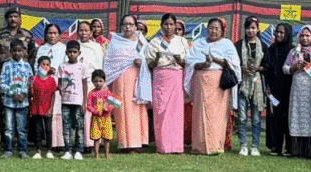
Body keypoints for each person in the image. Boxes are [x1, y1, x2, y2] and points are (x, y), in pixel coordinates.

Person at [183, 17, 241, 155]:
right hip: (201, 81)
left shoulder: (227, 44)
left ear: (222, 31)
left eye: (216, 29)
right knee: (200, 113)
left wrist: (215, 59)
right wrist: (203, 64)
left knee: (217, 114)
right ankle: (199, 146)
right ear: (206, 29)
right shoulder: (199, 43)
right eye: (211, 28)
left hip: (218, 83)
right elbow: (189, 61)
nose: (213, 31)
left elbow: (234, 63)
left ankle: (215, 146)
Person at [0, 7, 36, 154]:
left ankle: (22, 143)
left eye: (15, 16)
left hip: (23, 79)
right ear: (6, 19)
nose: (13, 19)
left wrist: (31, 81)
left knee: (23, 112)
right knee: (3, 111)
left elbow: (33, 57)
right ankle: (5, 142)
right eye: (10, 17)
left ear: (20, 19)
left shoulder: (27, 35)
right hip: (4, 77)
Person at [103, 15, 149, 153]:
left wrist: (142, 62)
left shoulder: (141, 41)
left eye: (130, 24)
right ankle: (125, 143)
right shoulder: (115, 42)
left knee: (137, 110)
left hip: (138, 79)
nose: (128, 27)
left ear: (135, 26)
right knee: (122, 110)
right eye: (125, 24)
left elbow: (149, 59)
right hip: (119, 80)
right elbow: (109, 62)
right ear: (121, 26)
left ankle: (138, 142)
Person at [145, 14, 187, 155]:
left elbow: (187, 63)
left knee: (175, 112)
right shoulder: (154, 42)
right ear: (161, 26)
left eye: (171, 24)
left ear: (175, 26)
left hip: (176, 76)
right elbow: (149, 65)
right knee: (160, 111)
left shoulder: (182, 42)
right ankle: (162, 146)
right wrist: (157, 58)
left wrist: (180, 60)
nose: (169, 27)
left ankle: (177, 147)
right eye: (166, 24)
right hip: (160, 76)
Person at [284, 24, 311, 159]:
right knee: (297, 115)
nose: (305, 38)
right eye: (302, 36)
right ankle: (296, 150)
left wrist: (310, 66)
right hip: (297, 88)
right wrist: (294, 67)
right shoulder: (294, 51)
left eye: (308, 36)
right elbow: (285, 68)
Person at [235, 16, 265, 157]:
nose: (250, 31)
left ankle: (255, 147)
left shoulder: (263, 46)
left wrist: (258, 69)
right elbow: (233, 63)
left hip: (257, 85)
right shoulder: (238, 45)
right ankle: (243, 146)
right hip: (242, 85)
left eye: (253, 28)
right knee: (242, 117)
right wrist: (243, 69)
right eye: (248, 28)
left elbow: (267, 66)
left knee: (256, 118)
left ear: (258, 29)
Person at [263, 22, 294, 156]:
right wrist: (267, 86)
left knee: (288, 117)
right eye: (277, 32)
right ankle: (275, 146)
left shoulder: (293, 50)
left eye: (282, 33)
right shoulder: (271, 49)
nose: (279, 35)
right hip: (274, 89)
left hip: (289, 89)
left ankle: (289, 147)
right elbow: (267, 69)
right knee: (274, 117)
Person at [0, 39, 33, 159]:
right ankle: (8, 150)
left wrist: (25, 94)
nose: (17, 53)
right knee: (9, 128)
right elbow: (2, 83)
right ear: (10, 51)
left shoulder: (27, 66)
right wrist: (12, 93)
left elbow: (31, 83)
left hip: (23, 103)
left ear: (24, 51)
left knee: (21, 128)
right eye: (14, 51)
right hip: (9, 102)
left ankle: (22, 150)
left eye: (19, 51)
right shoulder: (6, 65)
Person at [36, 24, 66, 151]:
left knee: (58, 112)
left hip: (58, 83)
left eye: (55, 33)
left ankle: (60, 142)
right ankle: (49, 142)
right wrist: (45, 72)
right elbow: (36, 67)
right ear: (46, 35)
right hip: (44, 84)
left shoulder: (64, 48)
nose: (52, 36)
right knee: (47, 113)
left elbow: (66, 66)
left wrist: (57, 73)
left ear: (59, 35)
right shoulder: (41, 49)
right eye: (50, 33)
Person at [76, 20, 103, 151]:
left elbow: (99, 65)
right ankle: (84, 143)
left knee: (95, 112)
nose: (83, 33)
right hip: (78, 83)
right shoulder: (74, 46)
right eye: (81, 30)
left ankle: (96, 141)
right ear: (77, 32)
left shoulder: (96, 47)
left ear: (91, 32)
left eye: (86, 30)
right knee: (82, 113)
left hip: (94, 83)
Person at [60, 40, 88, 159]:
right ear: (66, 53)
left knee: (79, 126)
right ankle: (68, 150)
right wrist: (63, 93)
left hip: (78, 101)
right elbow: (60, 83)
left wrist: (84, 102)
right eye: (70, 52)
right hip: (65, 101)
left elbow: (85, 84)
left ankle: (78, 151)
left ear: (79, 53)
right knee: (66, 126)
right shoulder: (62, 66)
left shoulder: (82, 66)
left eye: (74, 52)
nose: (72, 54)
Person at [29, 56, 57, 158]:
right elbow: (31, 94)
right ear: (38, 65)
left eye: (47, 64)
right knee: (38, 130)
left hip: (47, 108)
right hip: (36, 108)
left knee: (48, 129)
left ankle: (49, 150)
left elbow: (53, 95)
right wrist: (30, 86)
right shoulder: (34, 79)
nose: (45, 66)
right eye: (43, 64)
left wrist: (51, 108)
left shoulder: (52, 80)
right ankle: (38, 151)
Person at [87, 69, 115, 160]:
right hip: (96, 119)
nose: (98, 83)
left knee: (107, 138)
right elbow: (89, 106)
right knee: (96, 138)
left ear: (104, 81)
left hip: (106, 118)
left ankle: (107, 154)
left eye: (100, 81)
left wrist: (107, 109)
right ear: (92, 82)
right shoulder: (91, 93)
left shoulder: (108, 93)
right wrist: (95, 111)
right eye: (96, 81)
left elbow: (113, 104)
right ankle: (97, 155)